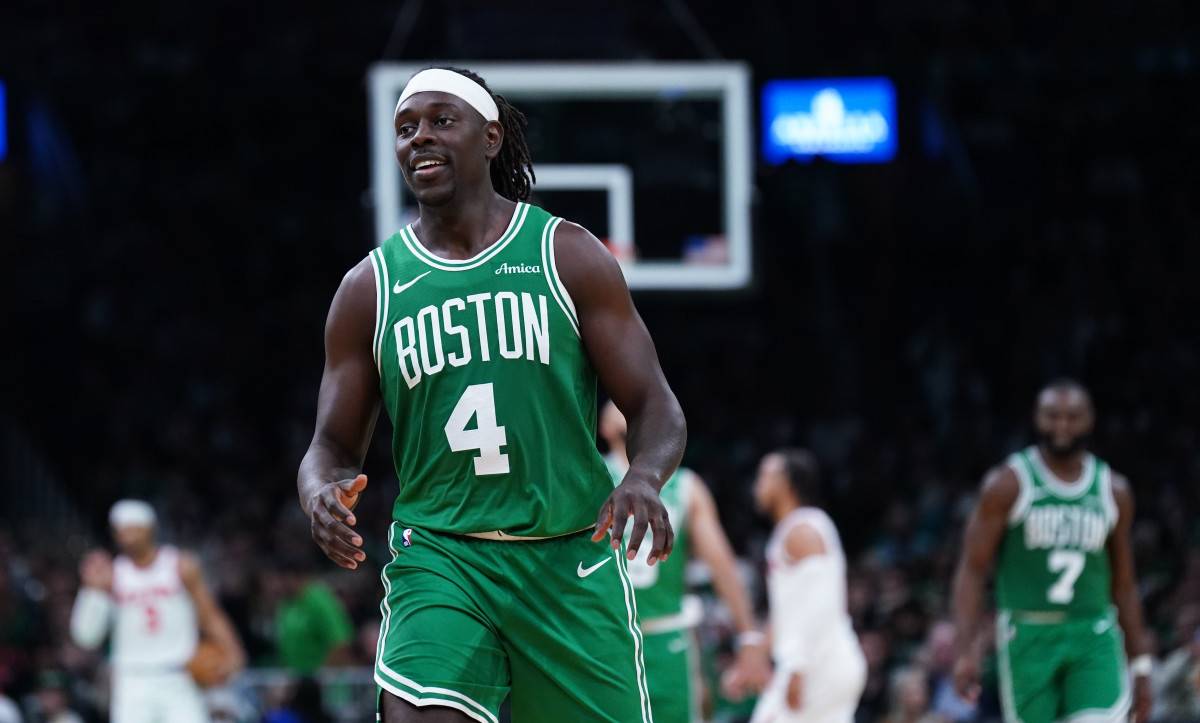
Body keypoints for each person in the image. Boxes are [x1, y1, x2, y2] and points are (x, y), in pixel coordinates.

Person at [297, 66, 687, 723]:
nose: (419, 137)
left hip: (568, 558)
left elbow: (655, 406)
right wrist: (318, 488)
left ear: (491, 137)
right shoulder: (370, 288)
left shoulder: (567, 255)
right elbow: (331, 445)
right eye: (405, 128)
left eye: (441, 121)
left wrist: (645, 476)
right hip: (445, 555)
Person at [951, 379, 1153, 723]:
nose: (1061, 425)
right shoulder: (1008, 483)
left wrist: (1141, 666)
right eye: (1051, 416)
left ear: (1089, 420)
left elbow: (1124, 585)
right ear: (1036, 419)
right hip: (1028, 635)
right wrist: (965, 650)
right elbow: (972, 569)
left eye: (1072, 416)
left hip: (1092, 635)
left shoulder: (1113, 490)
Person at [598, 401, 770, 723]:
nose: (627, 400)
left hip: (667, 639)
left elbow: (722, 567)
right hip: (605, 637)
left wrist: (749, 637)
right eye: (616, 401)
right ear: (603, 427)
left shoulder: (686, 485)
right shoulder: (590, 477)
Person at [69, 500, 246, 723]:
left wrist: (233, 650)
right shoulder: (112, 574)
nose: (129, 535)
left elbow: (209, 614)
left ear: (152, 528)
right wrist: (91, 591)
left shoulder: (180, 565)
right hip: (131, 678)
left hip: (179, 674)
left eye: (135, 528)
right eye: (123, 530)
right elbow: (86, 637)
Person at [745, 449, 866, 723]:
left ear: (786, 483)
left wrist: (797, 667)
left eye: (765, 476)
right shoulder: (792, 529)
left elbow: (818, 603)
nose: (757, 484)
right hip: (819, 662)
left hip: (819, 664)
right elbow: (788, 611)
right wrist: (754, 658)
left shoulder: (803, 532)